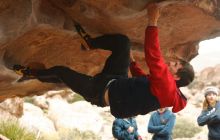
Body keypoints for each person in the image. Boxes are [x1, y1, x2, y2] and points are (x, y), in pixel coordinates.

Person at [12, 3, 194, 118]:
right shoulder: (165, 88)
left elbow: (153, 56)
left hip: (99, 92)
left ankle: (30, 73)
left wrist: (152, 21)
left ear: (177, 77)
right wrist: (131, 63)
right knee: (123, 43)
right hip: (115, 79)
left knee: (62, 72)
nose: (171, 63)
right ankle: (90, 43)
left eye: (176, 65)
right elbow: (145, 80)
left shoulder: (168, 88)